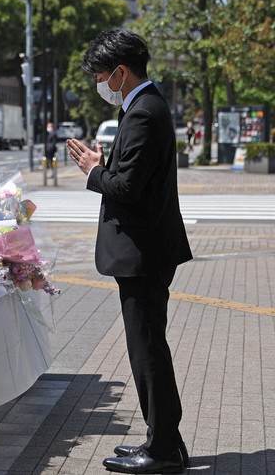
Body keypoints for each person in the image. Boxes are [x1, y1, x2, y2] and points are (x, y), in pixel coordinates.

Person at [66, 29, 193, 474]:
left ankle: (162, 451)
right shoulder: (145, 106)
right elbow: (132, 174)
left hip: (143, 252)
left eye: (101, 75)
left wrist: (93, 170)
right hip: (148, 249)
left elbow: (127, 188)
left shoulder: (142, 113)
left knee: (147, 351)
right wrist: (107, 163)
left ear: (120, 72)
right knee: (149, 348)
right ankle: (165, 441)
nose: (99, 83)